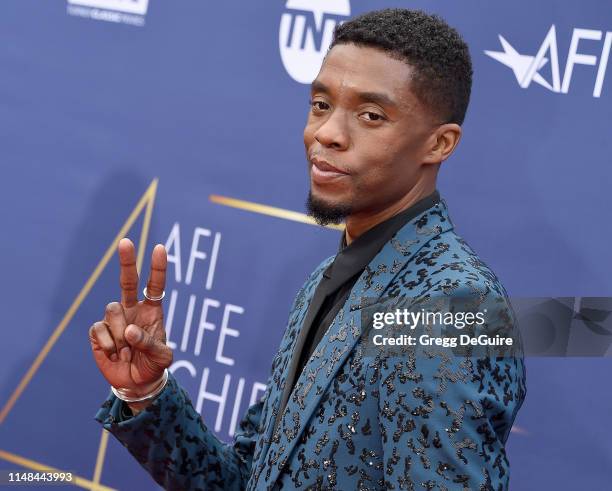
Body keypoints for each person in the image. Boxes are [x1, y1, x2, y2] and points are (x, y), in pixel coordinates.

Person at [90, 8, 526, 490]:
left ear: (439, 144)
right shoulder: (329, 278)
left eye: (370, 115)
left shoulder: (447, 305)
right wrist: (146, 393)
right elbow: (247, 481)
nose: (327, 133)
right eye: (321, 104)